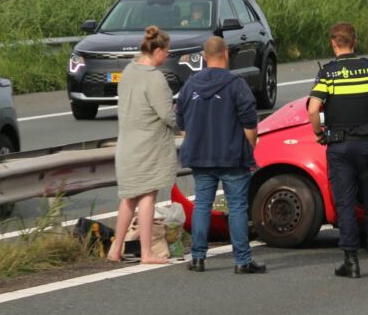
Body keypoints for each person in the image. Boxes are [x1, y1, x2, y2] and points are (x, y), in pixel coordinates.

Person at [308, 22, 368, 279]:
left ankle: (351, 261)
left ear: (333, 43)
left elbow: (314, 109)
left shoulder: (328, 73)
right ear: (354, 42)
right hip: (366, 145)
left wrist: (318, 133)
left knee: (345, 204)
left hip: (339, 147)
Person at [175, 36, 262, 274]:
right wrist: (248, 149)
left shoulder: (191, 84)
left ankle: (198, 258)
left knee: (202, 204)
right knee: (237, 207)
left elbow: (181, 119)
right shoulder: (236, 83)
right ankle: (242, 261)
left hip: (201, 157)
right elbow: (249, 123)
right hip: (232, 156)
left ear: (204, 57)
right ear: (226, 54)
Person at [109, 25, 179, 264]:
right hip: (148, 146)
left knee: (129, 196)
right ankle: (147, 252)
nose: (168, 55)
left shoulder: (129, 70)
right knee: (148, 195)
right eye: (167, 51)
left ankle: (115, 248)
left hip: (127, 144)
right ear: (158, 50)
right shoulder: (155, 78)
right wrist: (181, 121)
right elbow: (167, 115)